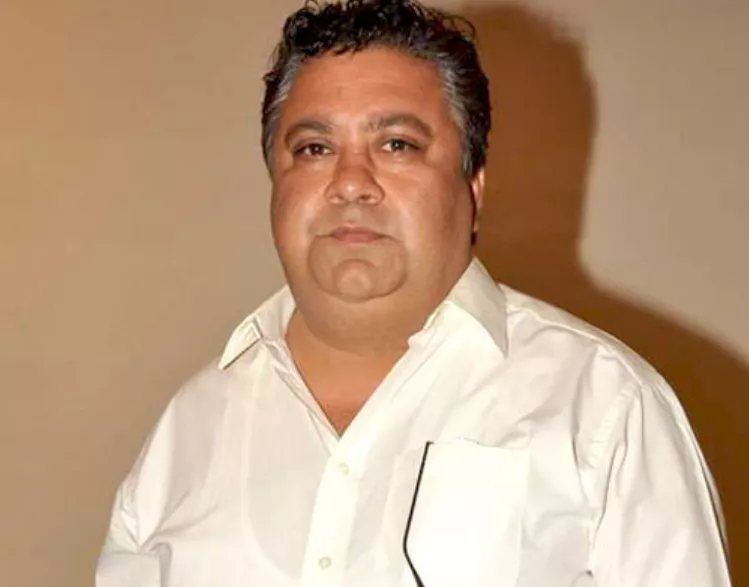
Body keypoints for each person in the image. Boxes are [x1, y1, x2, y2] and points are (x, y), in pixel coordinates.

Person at [96, 1, 732, 585]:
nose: (350, 182)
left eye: (396, 144)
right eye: (314, 148)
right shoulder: (189, 430)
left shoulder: (604, 407)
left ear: (473, 186)